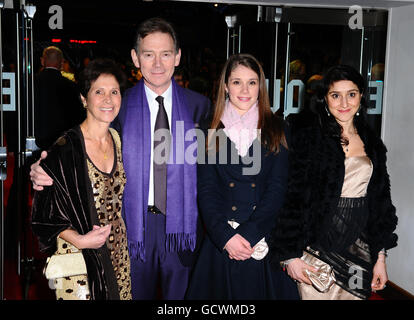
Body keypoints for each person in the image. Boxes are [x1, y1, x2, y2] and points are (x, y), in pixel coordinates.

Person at [30, 18, 211, 300]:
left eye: (165, 53)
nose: (158, 63)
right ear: (135, 58)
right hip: (131, 229)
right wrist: (43, 168)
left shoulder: (200, 106)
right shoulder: (118, 105)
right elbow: (84, 148)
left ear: (177, 56)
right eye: (148, 54)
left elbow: (217, 164)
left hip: (184, 228)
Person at [268, 65, 398, 300]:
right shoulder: (310, 138)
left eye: (352, 94)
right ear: (324, 99)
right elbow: (293, 198)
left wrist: (380, 257)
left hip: (360, 250)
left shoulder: (372, 141)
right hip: (316, 249)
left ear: (361, 96)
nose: (344, 102)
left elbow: (380, 204)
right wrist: (289, 255)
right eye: (335, 95)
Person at [185, 54, 299, 299]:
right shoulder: (209, 129)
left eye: (252, 82)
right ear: (226, 86)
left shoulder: (278, 128)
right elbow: (206, 189)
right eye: (237, 82)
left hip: (262, 239)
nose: (244, 90)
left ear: (261, 87)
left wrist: (249, 235)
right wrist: (226, 238)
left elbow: (278, 188)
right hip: (223, 241)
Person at [31, 58, 131, 300]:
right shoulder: (65, 148)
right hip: (79, 259)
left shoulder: (117, 139)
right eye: (99, 92)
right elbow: (43, 217)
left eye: (114, 92)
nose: (108, 99)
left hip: (118, 253)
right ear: (84, 99)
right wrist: (80, 240)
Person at [34, 46, 85, 150]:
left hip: (33, 139)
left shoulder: (30, 84)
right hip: (61, 142)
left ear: (42, 61)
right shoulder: (70, 86)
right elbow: (78, 117)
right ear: (61, 63)